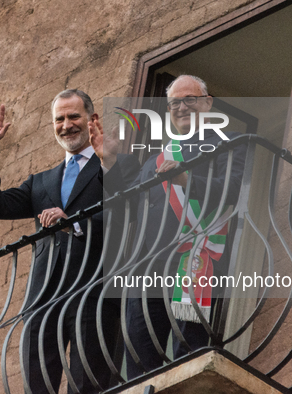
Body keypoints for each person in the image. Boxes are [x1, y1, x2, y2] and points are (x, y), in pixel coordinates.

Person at [0, 89, 138, 393]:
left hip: (95, 293)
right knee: (37, 385)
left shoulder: (114, 166)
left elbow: (129, 214)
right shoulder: (40, 182)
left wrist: (75, 222)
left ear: (92, 119)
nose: (66, 124)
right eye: (59, 119)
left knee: (90, 384)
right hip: (44, 299)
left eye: (74, 116)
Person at [90, 75, 247, 379]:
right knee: (140, 357)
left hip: (195, 260)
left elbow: (230, 191)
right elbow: (129, 207)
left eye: (190, 99)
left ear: (208, 103)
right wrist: (109, 162)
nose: (182, 106)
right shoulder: (155, 160)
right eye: (175, 102)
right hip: (149, 267)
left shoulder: (228, 143)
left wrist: (186, 180)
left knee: (189, 358)